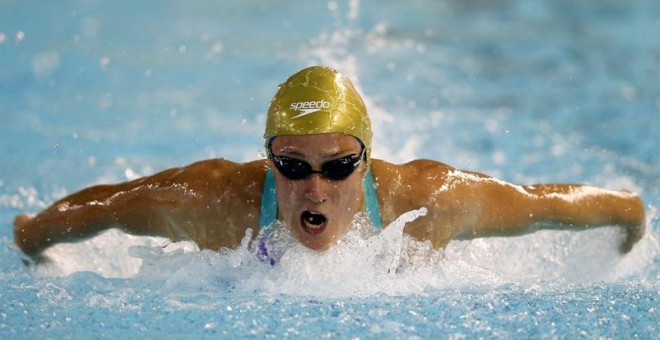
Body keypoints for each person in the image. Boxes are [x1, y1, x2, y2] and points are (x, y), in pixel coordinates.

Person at [13, 66, 645, 263]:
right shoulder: (213, 203)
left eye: (339, 167)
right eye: (292, 165)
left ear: (366, 166)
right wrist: (30, 238)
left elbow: (545, 204)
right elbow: (106, 208)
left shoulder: (428, 202)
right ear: (268, 161)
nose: (314, 187)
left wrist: (629, 219)